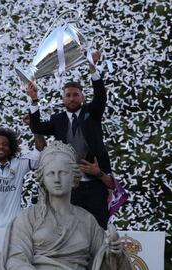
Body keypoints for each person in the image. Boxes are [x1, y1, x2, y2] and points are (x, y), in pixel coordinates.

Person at [0, 141, 132, 270]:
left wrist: (114, 253)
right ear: (43, 179)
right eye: (51, 174)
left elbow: (104, 262)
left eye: (63, 173)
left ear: (74, 177)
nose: (57, 179)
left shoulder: (87, 220)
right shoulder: (28, 218)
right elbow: (15, 260)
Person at [26, 51, 115, 229]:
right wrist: (34, 100)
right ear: (63, 98)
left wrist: (92, 68)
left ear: (82, 97)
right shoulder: (57, 120)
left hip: (95, 183)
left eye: (75, 95)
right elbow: (37, 128)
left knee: (98, 229)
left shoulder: (92, 113)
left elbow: (101, 96)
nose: (72, 98)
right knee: (68, 230)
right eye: (68, 95)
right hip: (69, 187)